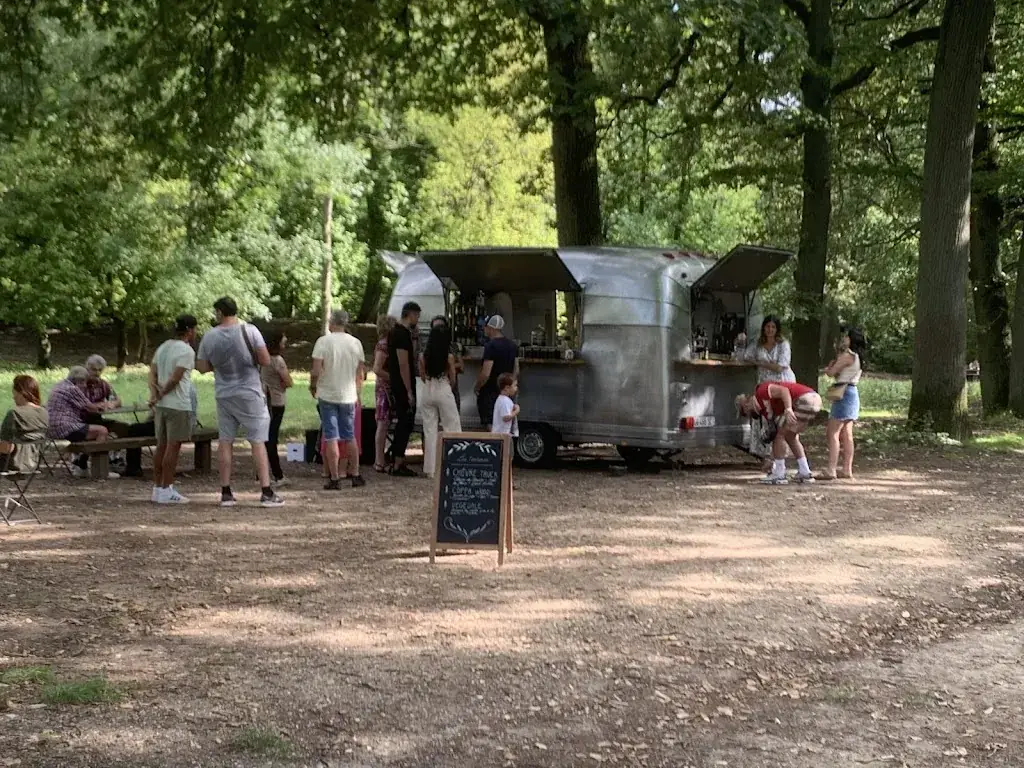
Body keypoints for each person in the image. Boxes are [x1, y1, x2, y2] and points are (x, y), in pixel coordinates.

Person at [195, 296, 284, 508]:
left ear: (219, 312)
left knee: (225, 440)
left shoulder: (209, 336)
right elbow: (264, 359)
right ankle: (266, 491)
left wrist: (220, 365)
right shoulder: (250, 331)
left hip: (224, 393)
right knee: (257, 440)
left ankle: (226, 492)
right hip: (249, 392)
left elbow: (201, 367)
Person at [311, 309, 366, 490]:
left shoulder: (323, 342)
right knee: (350, 435)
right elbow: (360, 373)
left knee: (331, 436)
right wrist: (358, 393)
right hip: (348, 394)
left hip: (328, 394)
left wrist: (313, 386)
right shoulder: (356, 343)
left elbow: (316, 370)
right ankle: (355, 473)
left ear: (331, 322)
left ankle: (334, 477)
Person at [148, 315, 198, 505]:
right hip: (178, 404)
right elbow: (176, 378)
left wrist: (154, 394)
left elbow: (152, 372)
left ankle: (157, 488)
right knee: (173, 447)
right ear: (190, 330)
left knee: (161, 446)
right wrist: (161, 394)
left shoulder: (164, 346)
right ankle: (167, 488)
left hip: (161, 406)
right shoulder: (186, 351)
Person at [735, 381, 822, 485]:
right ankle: (805, 471)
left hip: (804, 399)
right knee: (790, 436)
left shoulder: (761, 391)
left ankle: (779, 474)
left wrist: (788, 409)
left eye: (744, 413)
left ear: (745, 404)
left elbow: (784, 391)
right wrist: (771, 460)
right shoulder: (766, 410)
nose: (748, 415)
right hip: (814, 400)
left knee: (780, 436)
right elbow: (776, 439)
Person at [46, 366, 118, 479]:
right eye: (84, 382)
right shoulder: (72, 389)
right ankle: (99, 471)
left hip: (52, 427)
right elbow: (91, 408)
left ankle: (82, 465)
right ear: (78, 381)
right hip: (65, 427)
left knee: (96, 432)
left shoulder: (60, 385)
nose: (85, 386)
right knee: (102, 431)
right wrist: (105, 405)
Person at [418, 324, 462, 478]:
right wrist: (449, 386)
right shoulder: (448, 356)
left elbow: (422, 376)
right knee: (452, 426)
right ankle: (454, 463)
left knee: (430, 431)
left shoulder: (423, 356)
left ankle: (431, 469)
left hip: (428, 389)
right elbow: (453, 377)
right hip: (443, 388)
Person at [821, 327, 866, 481]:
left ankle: (831, 468)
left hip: (843, 392)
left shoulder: (847, 355)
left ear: (851, 339)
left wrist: (829, 368)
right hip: (852, 392)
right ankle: (847, 468)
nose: (844, 339)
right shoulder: (859, 357)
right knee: (847, 434)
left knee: (832, 432)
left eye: (846, 337)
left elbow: (832, 372)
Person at [387, 302, 422, 477]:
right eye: (417, 316)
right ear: (410, 314)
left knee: (404, 422)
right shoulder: (401, 334)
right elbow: (404, 364)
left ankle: (396, 459)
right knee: (405, 421)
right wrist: (408, 390)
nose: (418, 320)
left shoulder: (396, 332)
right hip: (402, 385)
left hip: (397, 383)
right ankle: (398, 461)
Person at [261, 330, 293, 488]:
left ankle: (260, 472)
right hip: (277, 401)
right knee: (271, 438)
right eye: (283, 341)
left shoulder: (262, 359)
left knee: (263, 436)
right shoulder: (277, 360)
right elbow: (288, 381)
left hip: (264, 400)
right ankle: (278, 474)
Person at [475, 315, 519, 427]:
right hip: (506, 391)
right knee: (505, 425)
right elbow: (516, 369)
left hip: (490, 391)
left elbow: (486, 373)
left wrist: (478, 387)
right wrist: (510, 387)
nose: (484, 329)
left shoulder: (490, 346)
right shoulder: (512, 346)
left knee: (491, 425)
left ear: (491, 328)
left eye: (485, 327)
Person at [0, 376, 49, 474]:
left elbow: (6, 449)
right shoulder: (44, 412)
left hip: (10, 464)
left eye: (14, 393)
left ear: (22, 393)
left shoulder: (14, 413)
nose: (13, 397)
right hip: (33, 464)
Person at [733, 315, 795, 384]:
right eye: (768, 326)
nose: (770, 329)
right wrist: (739, 341)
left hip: (783, 381)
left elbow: (779, 368)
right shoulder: (758, 343)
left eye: (773, 327)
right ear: (764, 328)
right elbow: (745, 356)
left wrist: (759, 363)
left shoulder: (783, 344)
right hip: (765, 382)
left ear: (777, 329)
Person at [372, 314, 396, 472]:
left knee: (385, 423)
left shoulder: (389, 343)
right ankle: (379, 460)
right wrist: (394, 378)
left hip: (387, 388)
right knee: (382, 423)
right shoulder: (383, 345)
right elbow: (377, 368)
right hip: (384, 390)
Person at [431, 315, 464, 412]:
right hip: (434, 390)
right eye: (436, 328)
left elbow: (462, 366)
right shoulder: (428, 348)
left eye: (441, 327)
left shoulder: (453, 346)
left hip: (451, 389)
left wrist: (448, 366)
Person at [491, 373, 520, 439]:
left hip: (503, 436)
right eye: (515, 386)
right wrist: (516, 411)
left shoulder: (504, 399)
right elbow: (506, 417)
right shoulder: (504, 401)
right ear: (507, 388)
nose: (516, 388)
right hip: (501, 436)